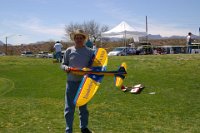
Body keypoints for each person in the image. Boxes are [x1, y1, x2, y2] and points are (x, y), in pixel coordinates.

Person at [61, 29, 94, 133]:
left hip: (84, 83)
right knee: (69, 108)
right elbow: (63, 64)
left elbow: (93, 66)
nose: (79, 39)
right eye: (77, 38)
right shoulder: (69, 50)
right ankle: (68, 130)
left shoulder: (89, 51)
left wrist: (89, 69)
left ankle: (84, 128)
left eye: (81, 38)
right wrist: (65, 68)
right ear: (74, 39)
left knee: (83, 108)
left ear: (84, 39)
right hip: (71, 83)